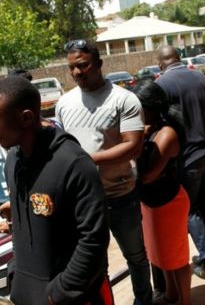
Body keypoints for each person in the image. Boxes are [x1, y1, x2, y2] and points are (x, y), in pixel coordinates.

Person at [0, 77, 111, 305]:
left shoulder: (73, 163)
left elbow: (94, 238)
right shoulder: (13, 161)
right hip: (26, 294)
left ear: (25, 118)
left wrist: (61, 292)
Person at [55, 40, 152, 305]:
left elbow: (133, 147)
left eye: (83, 65)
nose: (77, 72)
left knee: (136, 257)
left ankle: (144, 301)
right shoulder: (64, 103)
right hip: (84, 202)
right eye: (72, 67)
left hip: (120, 195)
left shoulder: (124, 99)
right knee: (96, 265)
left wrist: (85, 161)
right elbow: (64, 149)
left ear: (98, 64)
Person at [156, 46, 205, 280]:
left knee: (189, 210)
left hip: (188, 157)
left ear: (161, 64)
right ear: (178, 58)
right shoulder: (199, 76)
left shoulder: (162, 84)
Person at [133, 81, 191, 305]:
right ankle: (171, 294)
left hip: (168, 203)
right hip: (152, 202)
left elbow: (148, 175)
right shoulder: (152, 129)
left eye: (138, 108)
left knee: (176, 256)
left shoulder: (166, 134)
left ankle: (185, 301)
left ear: (151, 107)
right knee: (161, 255)